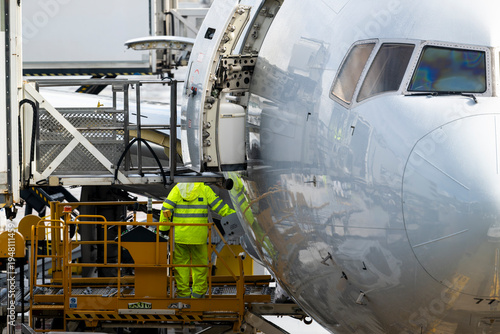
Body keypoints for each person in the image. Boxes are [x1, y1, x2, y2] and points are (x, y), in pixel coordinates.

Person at [159, 182, 235, 298]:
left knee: (181, 267)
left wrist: (163, 229)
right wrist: (234, 216)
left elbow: (166, 209)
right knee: (200, 267)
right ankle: (198, 295)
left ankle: (183, 295)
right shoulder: (204, 189)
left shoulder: (177, 189)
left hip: (180, 237)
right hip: (198, 237)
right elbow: (219, 207)